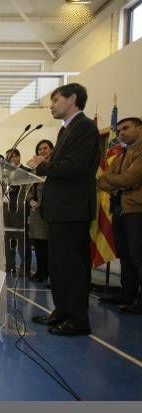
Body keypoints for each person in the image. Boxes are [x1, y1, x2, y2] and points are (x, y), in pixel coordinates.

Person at [28, 83, 99, 336]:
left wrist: (43, 166)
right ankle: (62, 311)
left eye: (56, 100)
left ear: (73, 99)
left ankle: (78, 319)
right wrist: (44, 163)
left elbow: (73, 167)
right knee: (59, 265)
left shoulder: (85, 127)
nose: (52, 105)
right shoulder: (65, 131)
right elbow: (60, 164)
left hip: (73, 207)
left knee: (73, 266)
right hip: (59, 209)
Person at [98, 117, 142, 314]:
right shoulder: (123, 154)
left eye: (126, 128)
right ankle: (127, 294)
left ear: (139, 128)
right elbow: (102, 180)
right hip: (119, 209)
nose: (122, 133)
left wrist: (118, 182)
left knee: (137, 255)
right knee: (124, 255)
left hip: (136, 210)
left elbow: (130, 178)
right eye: (120, 129)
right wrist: (120, 183)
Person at [29, 140, 54, 282]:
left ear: (51, 150)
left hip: (50, 209)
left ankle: (50, 273)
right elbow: (29, 186)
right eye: (39, 149)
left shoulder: (53, 166)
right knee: (38, 243)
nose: (42, 151)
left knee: (49, 245)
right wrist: (31, 200)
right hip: (35, 211)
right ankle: (40, 271)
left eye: (45, 148)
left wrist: (41, 203)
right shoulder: (34, 168)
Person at [4, 149, 32, 275]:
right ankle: (10, 265)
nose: (11, 160)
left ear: (18, 157)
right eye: (8, 158)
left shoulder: (27, 172)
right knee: (8, 239)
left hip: (21, 210)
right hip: (7, 210)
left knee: (22, 241)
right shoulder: (5, 174)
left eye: (13, 157)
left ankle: (24, 267)